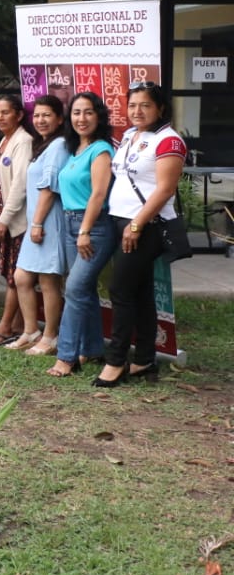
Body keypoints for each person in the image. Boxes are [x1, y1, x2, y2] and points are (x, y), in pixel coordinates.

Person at [94, 82, 186, 388]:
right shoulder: (131, 136)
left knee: (119, 290)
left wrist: (136, 225)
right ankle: (145, 358)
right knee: (140, 292)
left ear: (160, 108)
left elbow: (164, 189)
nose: (137, 111)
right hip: (122, 221)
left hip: (145, 226)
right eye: (132, 105)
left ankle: (115, 360)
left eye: (145, 105)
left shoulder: (169, 141)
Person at [48, 92, 114, 378]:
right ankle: (94, 347)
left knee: (74, 289)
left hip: (95, 227)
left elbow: (98, 194)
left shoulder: (101, 150)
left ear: (98, 116)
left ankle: (67, 356)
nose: (81, 118)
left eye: (88, 112)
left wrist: (85, 230)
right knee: (83, 290)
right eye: (76, 112)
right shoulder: (75, 149)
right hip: (70, 224)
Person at [9, 95, 70, 354]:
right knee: (21, 277)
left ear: (59, 118)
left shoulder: (59, 145)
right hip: (36, 222)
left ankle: (50, 336)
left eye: (47, 115)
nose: (40, 120)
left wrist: (36, 224)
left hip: (47, 222)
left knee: (48, 281)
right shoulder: (43, 145)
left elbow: (49, 189)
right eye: (37, 115)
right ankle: (30, 330)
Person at [0, 95, 35, 346]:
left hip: (14, 218)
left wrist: (4, 219)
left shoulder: (23, 141)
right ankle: (18, 323)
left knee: (15, 272)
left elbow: (20, 185)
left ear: (19, 115)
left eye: (6, 112)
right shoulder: (6, 139)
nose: (0, 117)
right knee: (9, 269)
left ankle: (5, 325)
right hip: (0, 214)